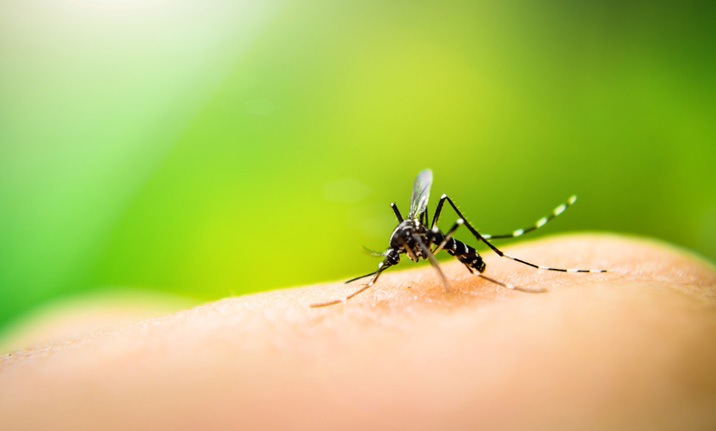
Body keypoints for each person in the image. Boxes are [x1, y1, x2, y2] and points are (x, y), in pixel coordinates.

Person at [1, 234, 715, 430]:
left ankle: (502, 262)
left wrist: (464, 268)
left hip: (480, 256)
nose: (397, 259)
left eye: (396, 257)